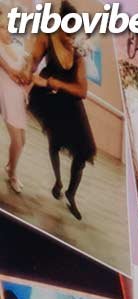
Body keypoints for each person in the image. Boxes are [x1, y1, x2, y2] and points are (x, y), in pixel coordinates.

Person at [25, 30, 93, 220]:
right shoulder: (49, 39)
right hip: (51, 98)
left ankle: (71, 193)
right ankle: (58, 181)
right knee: (54, 141)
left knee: (85, 150)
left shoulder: (79, 53)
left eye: (75, 35)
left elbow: (82, 91)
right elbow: (34, 61)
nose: (71, 38)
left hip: (71, 102)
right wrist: (30, 72)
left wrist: (58, 83)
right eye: (68, 34)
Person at [0, 26, 29, 194]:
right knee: (17, 141)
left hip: (18, 95)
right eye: (2, 27)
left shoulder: (17, 46)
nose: (6, 30)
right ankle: (12, 174)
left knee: (22, 140)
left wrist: (24, 76)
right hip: (6, 94)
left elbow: (27, 66)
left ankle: (10, 165)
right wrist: (12, 72)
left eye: (6, 26)